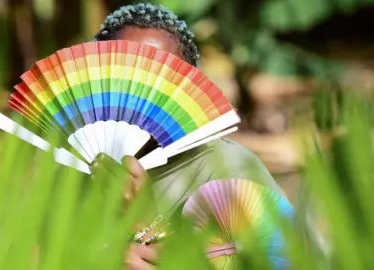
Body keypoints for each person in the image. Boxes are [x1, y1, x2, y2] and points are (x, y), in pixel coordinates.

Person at [90, 3, 287, 270]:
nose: (140, 95)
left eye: (160, 81)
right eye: (124, 76)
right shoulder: (72, 170)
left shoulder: (228, 170)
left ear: (187, 90)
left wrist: (147, 223)